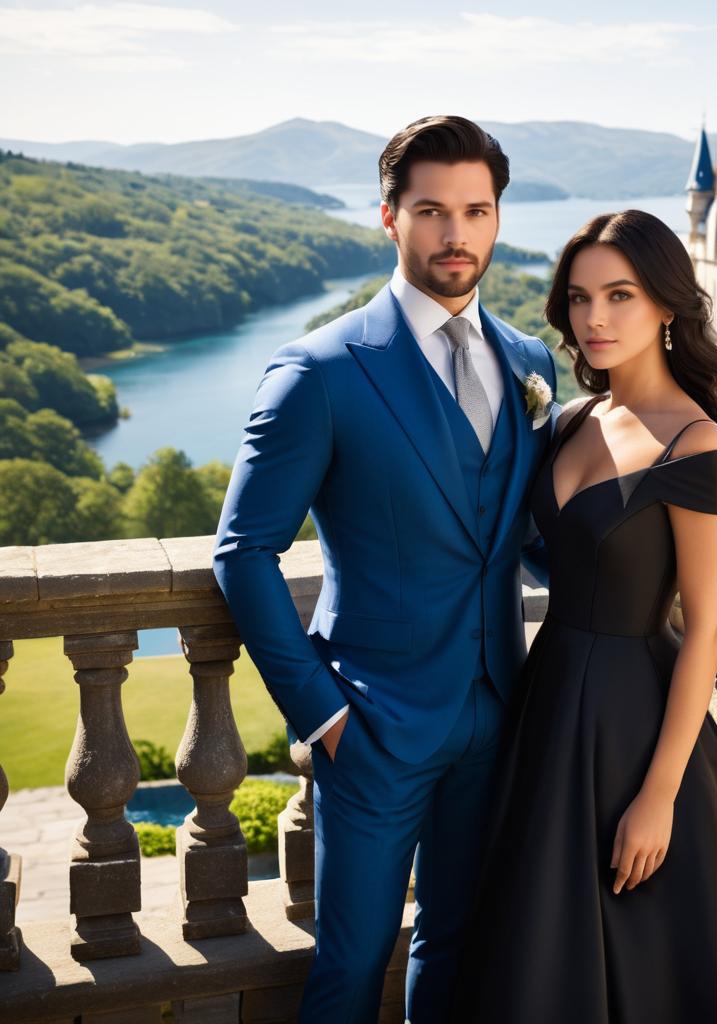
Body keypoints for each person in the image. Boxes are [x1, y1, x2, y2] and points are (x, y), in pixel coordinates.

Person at [211, 115, 558, 1024]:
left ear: (496, 219)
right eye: (433, 210)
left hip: (496, 714)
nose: (457, 234)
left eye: (477, 211)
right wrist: (322, 713)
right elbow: (242, 552)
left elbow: (520, 530)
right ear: (389, 218)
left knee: (461, 943)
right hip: (370, 723)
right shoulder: (319, 371)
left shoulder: (529, 361)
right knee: (352, 961)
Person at [450, 209, 717, 1023]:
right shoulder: (571, 422)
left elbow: (708, 632)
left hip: (634, 722)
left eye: (619, 295)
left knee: (648, 952)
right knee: (533, 937)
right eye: (580, 298)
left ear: (666, 305)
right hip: (548, 704)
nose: (595, 319)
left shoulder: (697, 446)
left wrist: (658, 797)